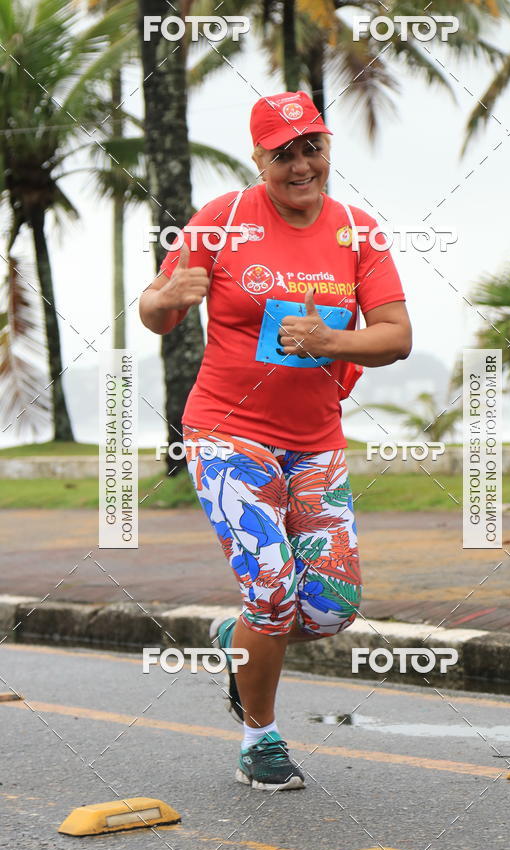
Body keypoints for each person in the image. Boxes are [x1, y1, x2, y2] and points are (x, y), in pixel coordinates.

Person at [139, 90, 412, 790]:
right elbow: (153, 308)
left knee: (330, 607)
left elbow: (396, 336)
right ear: (257, 158)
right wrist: (166, 301)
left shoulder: (358, 231)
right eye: (282, 153)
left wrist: (333, 340)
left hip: (316, 442)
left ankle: (242, 639)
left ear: (327, 148)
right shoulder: (222, 220)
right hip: (228, 433)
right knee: (270, 585)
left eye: (311, 147)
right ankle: (259, 737)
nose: (300, 165)